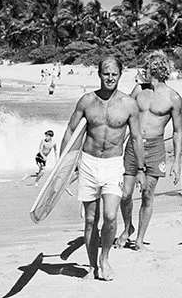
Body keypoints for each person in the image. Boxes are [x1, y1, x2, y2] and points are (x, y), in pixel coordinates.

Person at [60, 55, 142, 281]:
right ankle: (92, 266)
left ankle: (104, 258)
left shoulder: (129, 104)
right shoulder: (87, 101)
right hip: (88, 162)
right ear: (99, 74)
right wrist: (64, 164)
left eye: (114, 74)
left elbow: (136, 138)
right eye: (106, 73)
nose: (110, 78)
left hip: (114, 165)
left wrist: (141, 169)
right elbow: (71, 131)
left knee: (110, 216)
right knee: (90, 220)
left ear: (120, 75)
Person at [118, 51, 182, 251]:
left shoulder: (173, 98)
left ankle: (139, 239)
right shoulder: (139, 90)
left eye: (146, 67)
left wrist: (176, 162)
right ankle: (127, 227)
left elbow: (178, 131)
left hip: (155, 148)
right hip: (134, 145)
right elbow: (122, 114)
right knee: (125, 194)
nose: (143, 71)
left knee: (147, 193)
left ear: (155, 70)